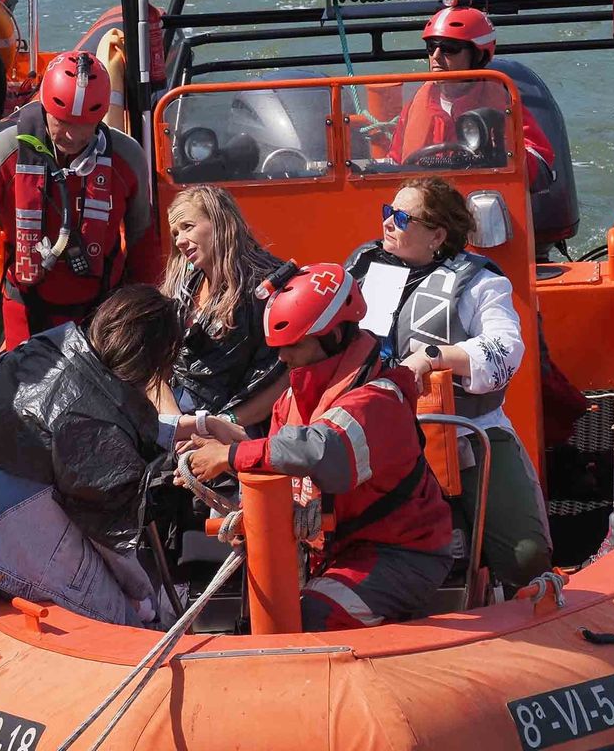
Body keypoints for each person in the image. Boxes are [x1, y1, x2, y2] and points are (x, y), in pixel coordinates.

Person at [184, 262, 451, 631]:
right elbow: (282, 454)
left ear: (333, 336)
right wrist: (229, 455)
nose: (282, 358)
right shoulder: (294, 398)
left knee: (311, 618)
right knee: (275, 616)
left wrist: (230, 455)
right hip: (337, 552)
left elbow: (322, 453)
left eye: (293, 345)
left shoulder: (379, 401)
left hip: (400, 553)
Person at [345, 176, 553, 593]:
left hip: (463, 435)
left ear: (437, 234)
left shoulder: (480, 283)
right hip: (372, 432)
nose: (387, 223)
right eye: (388, 211)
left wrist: (435, 357)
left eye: (402, 217)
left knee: (526, 555)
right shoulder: (364, 269)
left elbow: (505, 348)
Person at [0, 284, 180, 627]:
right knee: (139, 624)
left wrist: (191, 427)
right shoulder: (96, 423)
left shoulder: (45, 353)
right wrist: (144, 592)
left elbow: (66, 429)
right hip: (7, 565)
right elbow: (113, 540)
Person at [0, 50, 159, 350]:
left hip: (103, 314)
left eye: (85, 125)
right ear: (44, 109)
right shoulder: (6, 150)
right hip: (26, 311)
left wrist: (146, 309)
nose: (72, 135)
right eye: (63, 122)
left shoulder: (126, 157)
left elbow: (144, 242)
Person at [152, 185, 288, 448]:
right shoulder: (182, 288)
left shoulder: (267, 288)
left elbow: (287, 374)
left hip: (240, 429)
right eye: (175, 233)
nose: (179, 240)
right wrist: (180, 426)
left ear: (220, 222)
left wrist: (222, 423)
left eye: (187, 227)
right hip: (177, 419)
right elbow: (154, 371)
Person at [391, 0, 554, 187]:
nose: (435, 56)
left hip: (482, 202)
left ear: (478, 55)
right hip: (425, 206)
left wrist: (502, 154)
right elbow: (393, 163)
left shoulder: (504, 104)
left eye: (449, 48)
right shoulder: (415, 104)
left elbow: (541, 165)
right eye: (431, 46)